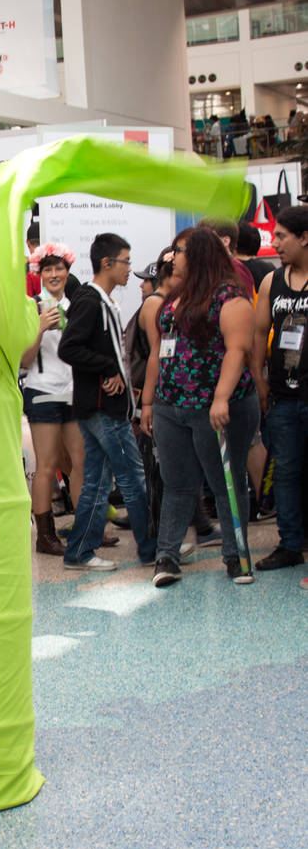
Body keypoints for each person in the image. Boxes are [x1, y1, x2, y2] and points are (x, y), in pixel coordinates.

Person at [141, 226, 259, 586]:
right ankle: (167, 557)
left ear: (200, 256)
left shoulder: (230, 298)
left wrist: (221, 397)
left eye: (179, 251)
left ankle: (236, 557)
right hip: (170, 405)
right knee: (176, 482)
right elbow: (157, 352)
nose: (171, 257)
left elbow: (238, 350)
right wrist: (147, 400)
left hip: (215, 407)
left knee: (225, 481)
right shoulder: (171, 299)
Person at [58, 233, 155, 571]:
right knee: (133, 477)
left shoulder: (102, 301)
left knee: (99, 484)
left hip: (101, 407)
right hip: (102, 408)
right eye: (125, 262)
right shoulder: (90, 301)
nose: (130, 269)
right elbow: (68, 348)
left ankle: (80, 551)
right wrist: (107, 367)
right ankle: (151, 548)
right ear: (107, 264)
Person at [252, 205, 308, 572]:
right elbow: (259, 332)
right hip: (283, 395)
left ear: (304, 238)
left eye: (282, 236)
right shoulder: (273, 281)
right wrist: (258, 376)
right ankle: (289, 543)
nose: (275, 242)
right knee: (285, 470)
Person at [21, 243, 84, 555]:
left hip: (73, 392)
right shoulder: (31, 307)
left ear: (68, 271)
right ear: (40, 274)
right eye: (48, 269)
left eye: (59, 268)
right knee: (46, 465)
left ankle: (85, 528)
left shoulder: (78, 305)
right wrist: (40, 329)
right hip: (42, 391)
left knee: (79, 464)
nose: (54, 274)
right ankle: (45, 537)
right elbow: (23, 359)